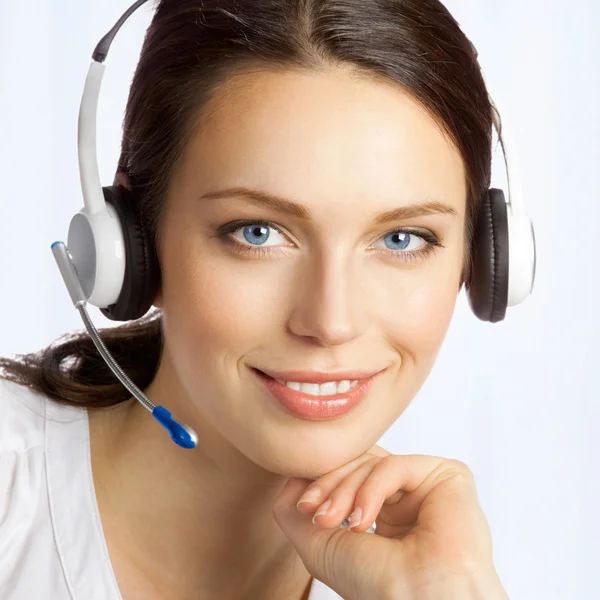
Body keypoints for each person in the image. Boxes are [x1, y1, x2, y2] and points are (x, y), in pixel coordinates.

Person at [0, 0, 522, 598]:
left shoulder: (420, 567)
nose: (330, 321)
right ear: (131, 245)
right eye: (258, 232)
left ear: (479, 263)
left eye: (402, 239)